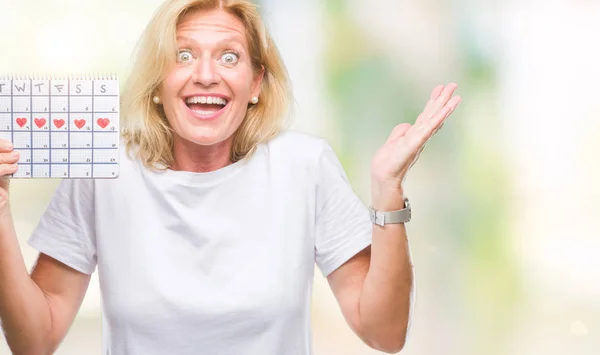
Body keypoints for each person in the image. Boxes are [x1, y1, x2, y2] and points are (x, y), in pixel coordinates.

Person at [0, 0, 461, 354]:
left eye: (229, 57)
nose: (205, 75)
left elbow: (384, 332)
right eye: (183, 55)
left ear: (256, 83)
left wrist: (387, 190)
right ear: (158, 82)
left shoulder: (305, 166)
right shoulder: (105, 172)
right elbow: (33, 341)